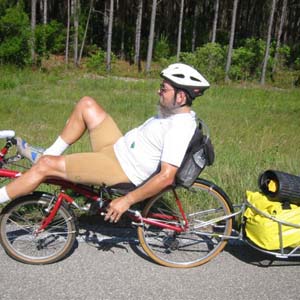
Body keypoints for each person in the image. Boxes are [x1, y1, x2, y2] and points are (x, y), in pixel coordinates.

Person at [0, 63, 210, 223]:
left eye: (163, 89)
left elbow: (166, 177)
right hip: (116, 148)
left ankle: (32, 172)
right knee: (87, 104)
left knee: (46, 167)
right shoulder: (171, 112)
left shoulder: (179, 128)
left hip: (120, 169)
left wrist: (126, 200)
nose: (158, 91)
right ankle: (49, 153)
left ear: (181, 97)